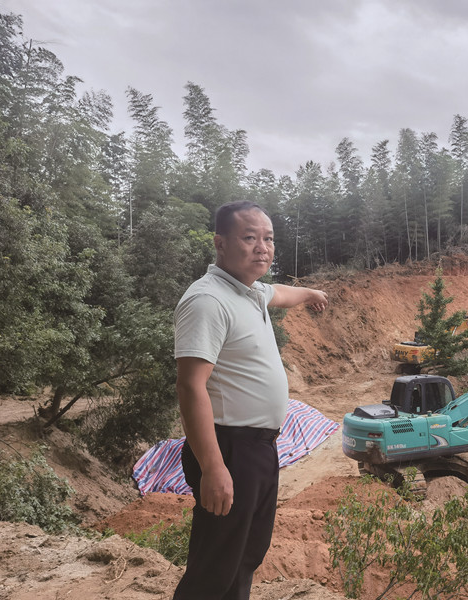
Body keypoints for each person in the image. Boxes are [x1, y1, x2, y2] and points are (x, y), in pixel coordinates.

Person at [172, 201, 328, 600]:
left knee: (244, 557)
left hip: (256, 449)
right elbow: (191, 387)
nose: (263, 247)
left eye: (269, 239)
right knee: (215, 564)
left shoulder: (249, 291)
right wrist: (213, 467)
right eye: (250, 238)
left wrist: (310, 293)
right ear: (220, 243)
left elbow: (280, 294)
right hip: (228, 449)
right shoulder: (208, 301)